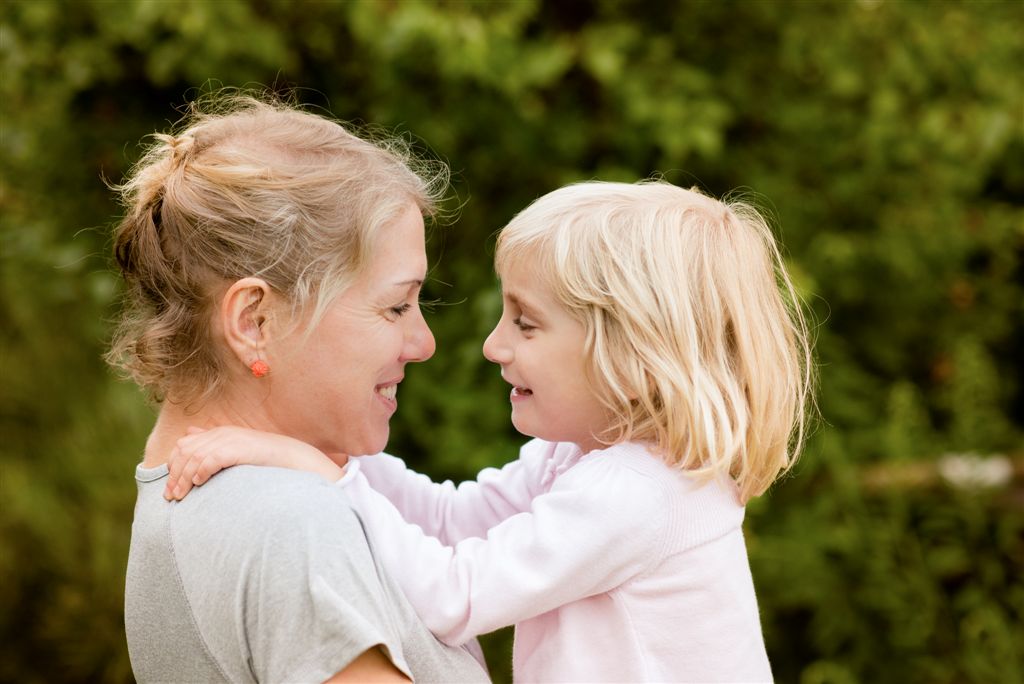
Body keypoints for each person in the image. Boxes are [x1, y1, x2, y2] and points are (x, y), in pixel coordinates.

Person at [167, 180, 814, 682]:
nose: (492, 346)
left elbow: (455, 594)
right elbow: (452, 521)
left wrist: (322, 473)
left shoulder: (639, 492)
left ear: (631, 351)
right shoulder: (584, 459)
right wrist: (323, 449)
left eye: (526, 324)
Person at [108, 93, 490, 683]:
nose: (424, 343)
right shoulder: (292, 522)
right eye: (395, 306)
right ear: (254, 322)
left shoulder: (191, 505)